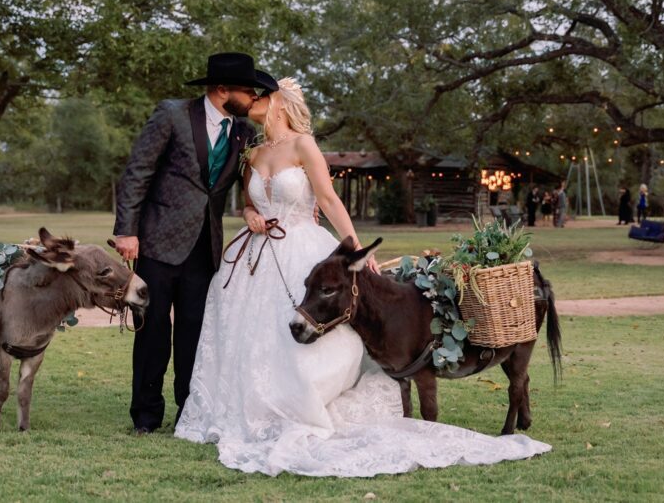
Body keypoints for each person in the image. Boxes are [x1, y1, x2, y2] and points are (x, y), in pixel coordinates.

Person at [175, 78, 550, 476]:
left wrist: (356, 248)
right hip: (256, 255)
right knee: (250, 337)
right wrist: (251, 217)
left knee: (320, 328)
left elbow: (328, 199)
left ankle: (307, 405)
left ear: (280, 104)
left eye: (261, 95)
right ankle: (249, 410)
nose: (252, 100)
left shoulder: (303, 145)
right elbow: (248, 203)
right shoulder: (251, 150)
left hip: (302, 245)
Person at [113, 52, 277, 435]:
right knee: (152, 331)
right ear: (222, 90)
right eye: (246, 89)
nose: (252, 97)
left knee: (195, 333)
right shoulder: (172, 114)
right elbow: (138, 171)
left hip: (205, 249)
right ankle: (146, 416)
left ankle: (190, 411)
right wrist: (126, 231)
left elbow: (251, 183)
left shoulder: (243, 132)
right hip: (156, 242)